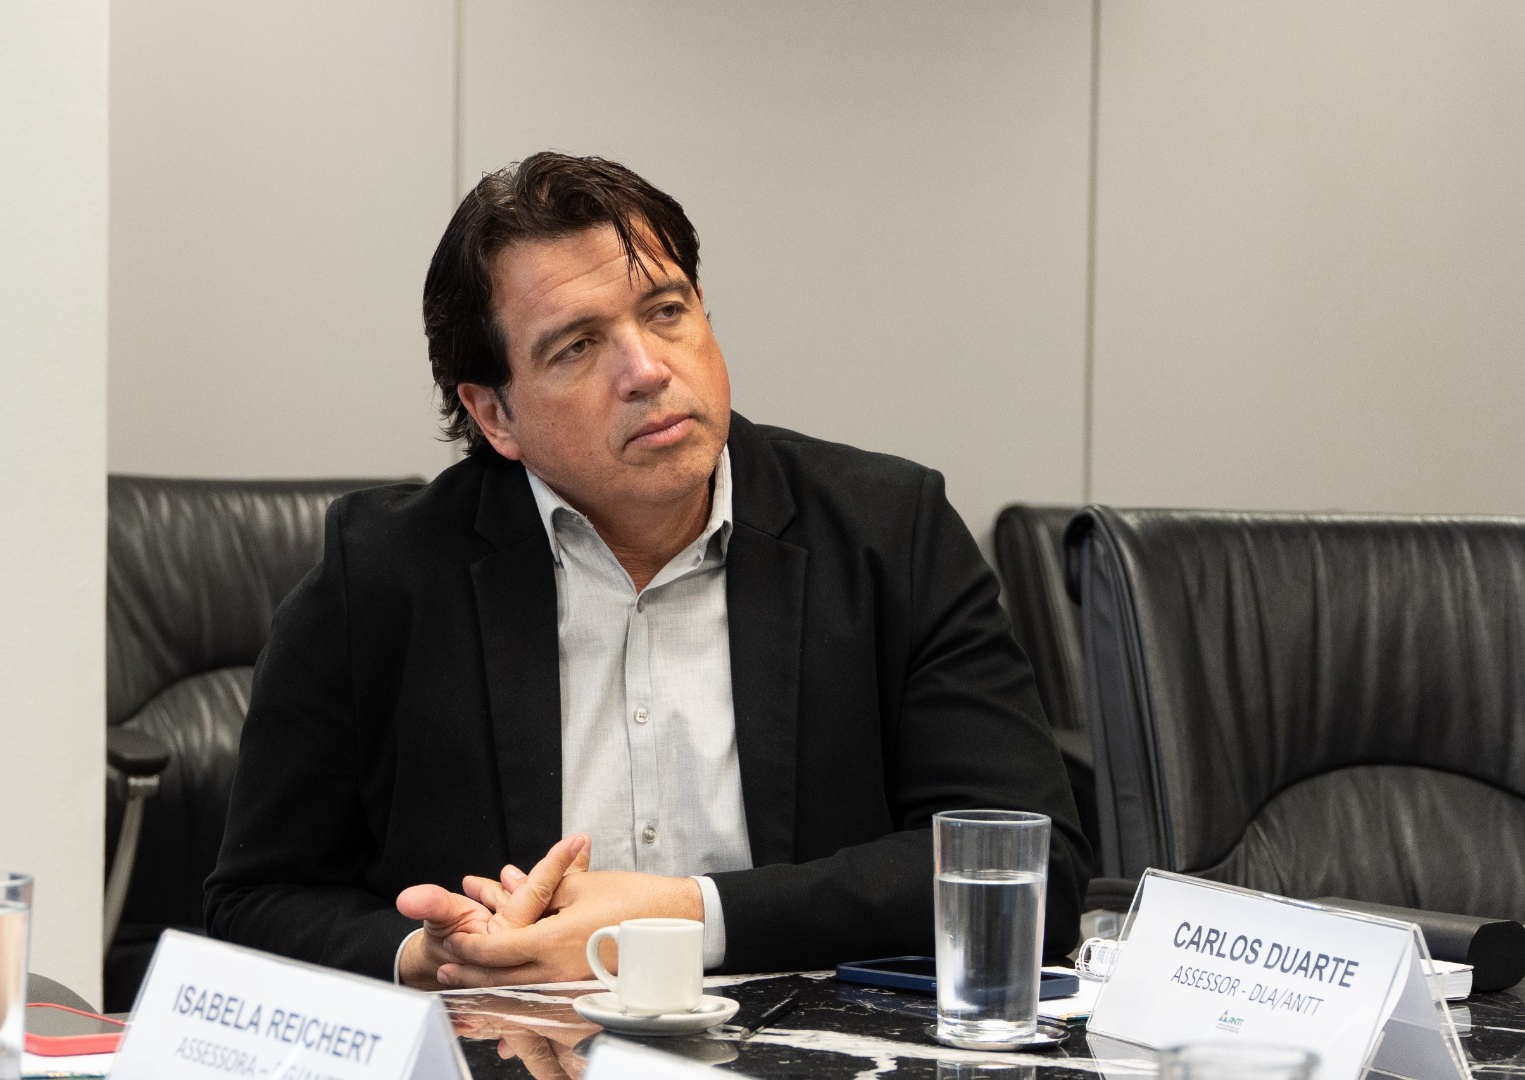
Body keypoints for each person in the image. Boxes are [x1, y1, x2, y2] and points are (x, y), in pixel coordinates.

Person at [204, 152, 1090, 990]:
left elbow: (1031, 864)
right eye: (577, 347)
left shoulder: (888, 534)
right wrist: (430, 956)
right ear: (495, 414)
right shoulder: (382, 576)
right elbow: (256, 900)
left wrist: (685, 918)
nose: (647, 370)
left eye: (666, 311)